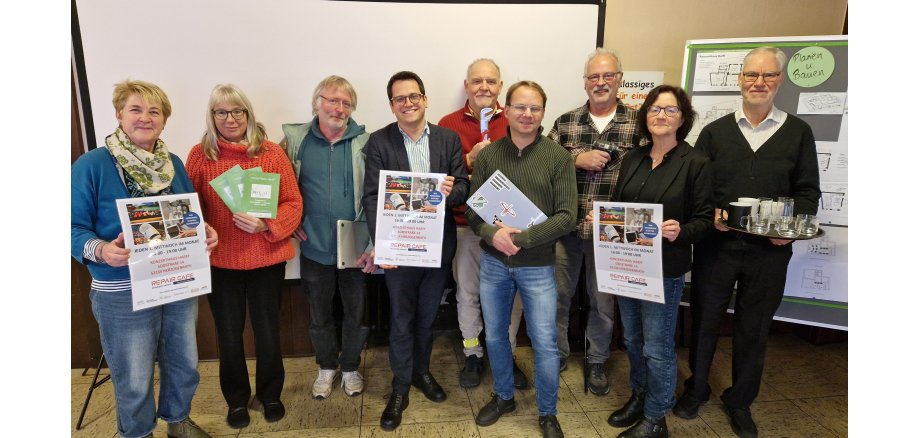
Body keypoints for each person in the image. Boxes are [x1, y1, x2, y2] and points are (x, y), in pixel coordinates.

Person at [673, 47, 820, 438]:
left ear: (779, 81)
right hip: (717, 248)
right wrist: (713, 215)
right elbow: (696, 189)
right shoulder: (714, 132)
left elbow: (808, 194)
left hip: (769, 253)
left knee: (754, 329)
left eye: (768, 76)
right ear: (739, 79)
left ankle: (740, 401)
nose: (759, 82)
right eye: (751, 75)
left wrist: (785, 229)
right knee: (704, 320)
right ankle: (697, 389)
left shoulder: (798, 132)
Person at [71, 79, 216, 438]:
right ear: (119, 114)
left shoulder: (173, 164)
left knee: (184, 362)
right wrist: (102, 250)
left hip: (178, 280)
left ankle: (178, 420)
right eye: (136, 109)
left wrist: (204, 231)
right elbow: (70, 227)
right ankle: (137, 433)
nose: (145, 117)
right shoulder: (92, 165)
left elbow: (185, 216)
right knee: (134, 375)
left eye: (154, 111)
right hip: (121, 288)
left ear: (164, 120)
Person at [592, 85, 713, 438]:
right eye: (654, 110)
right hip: (627, 266)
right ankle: (640, 396)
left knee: (657, 347)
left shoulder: (696, 163)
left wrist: (681, 230)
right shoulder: (633, 158)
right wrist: (600, 221)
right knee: (632, 339)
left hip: (664, 270)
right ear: (645, 117)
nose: (661, 116)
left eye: (670, 110)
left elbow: (705, 221)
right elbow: (619, 206)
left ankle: (657, 417)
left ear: (683, 118)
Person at [186, 84, 302, 429]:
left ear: (248, 115)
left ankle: (270, 395)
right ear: (212, 117)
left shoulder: (269, 154)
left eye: (237, 111)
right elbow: (189, 210)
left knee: (268, 332)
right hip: (221, 263)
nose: (230, 118)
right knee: (228, 334)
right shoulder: (199, 156)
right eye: (221, 112)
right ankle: (236, 400)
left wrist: (267, 224)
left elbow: (294, 204)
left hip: (266, 259)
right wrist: (204, 228)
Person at [467, 80, 576, 438]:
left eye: (535, 108)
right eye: (520, 107)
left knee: (544, 341)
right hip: (494, 264)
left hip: (539, 266)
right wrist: (491, 234)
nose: (527, 114)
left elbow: (566, 216)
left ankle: (547, 412)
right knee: (496, 336)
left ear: (543, 113)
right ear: (506, 109)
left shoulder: (558, 157)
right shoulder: (488, 155)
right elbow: (474, 212)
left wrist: (523, 239)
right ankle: (503, 397)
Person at [362, 71, 470, 431]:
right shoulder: (378, 142)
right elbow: (373, 198)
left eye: (413, 96)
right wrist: (383, 246)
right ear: (391, 105)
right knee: (402, 319)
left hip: (437, 247)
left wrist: (447, 191)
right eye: (399, 98)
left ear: (425, 99)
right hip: (399, 249)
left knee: (426, 317)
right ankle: (399, 387)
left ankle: (421, 373)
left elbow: (463, 188)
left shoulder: (448, 139)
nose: (407, 103)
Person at [548, 47, 642, 395]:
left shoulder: (638, 122)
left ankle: (597, 360)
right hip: (565, 227)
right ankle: (556, 355)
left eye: (607, 76)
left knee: (604, 302)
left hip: (615, 233)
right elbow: (544, 166)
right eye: (593, 77)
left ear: (620, 80)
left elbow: (651, 171)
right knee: (557, 297)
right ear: (585, 82)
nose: (600, 82)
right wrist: (576, 158)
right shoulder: (565, 122)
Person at [280, 75, 377, 401]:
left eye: (346, 103)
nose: (338, 108)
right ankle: (326, 367)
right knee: (319, 313)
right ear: (316, 103)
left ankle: (350, 367)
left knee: (356, 311)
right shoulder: (296, 141)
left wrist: (373, 240)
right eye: (331, 100)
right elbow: (274, 186)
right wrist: (287, 221)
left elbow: (378, 193)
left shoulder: (366, 143)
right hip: (314, 243)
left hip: (356, 242)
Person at [437, 58, 528, 389]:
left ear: (500, 86)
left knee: (512, 296)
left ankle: (505, 352)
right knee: (468, 293)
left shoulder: (518, 119)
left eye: (491, 81)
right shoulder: (446, 124)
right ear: (466, 86)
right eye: (477, 81)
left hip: (509, 228)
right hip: (465, 225)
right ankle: (473, 354)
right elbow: (439, 177)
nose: (484, 87)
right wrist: (470, 159)